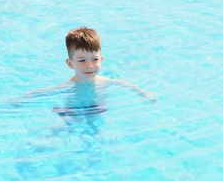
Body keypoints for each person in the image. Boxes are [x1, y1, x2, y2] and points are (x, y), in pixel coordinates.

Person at [14, 27, 157, 115]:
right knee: (62, 127)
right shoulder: (68, 86)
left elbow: (126, 85)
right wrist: (21, 100)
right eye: (82, 61)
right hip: (72, 111)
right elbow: (44, 91)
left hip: (97, 109)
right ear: (70, 64)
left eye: (94, 59)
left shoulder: (106, 82)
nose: (89, 65)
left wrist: (144, 94)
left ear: (101, 60)